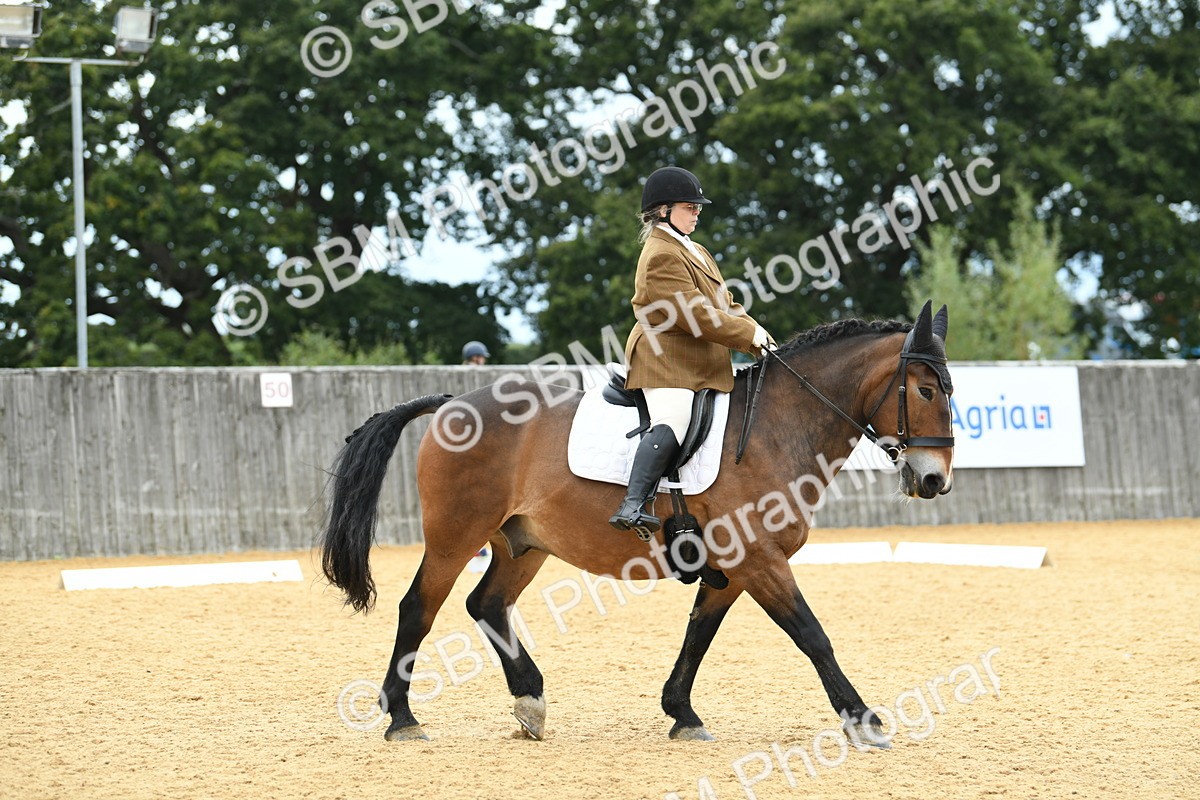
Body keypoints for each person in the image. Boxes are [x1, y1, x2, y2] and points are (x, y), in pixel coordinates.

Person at [609, 166, 774, 535]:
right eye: (690, 207)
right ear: (663, 210)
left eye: (698, 207)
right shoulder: (660, 254)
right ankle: (633, 504)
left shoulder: (695, 249)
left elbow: (725, 305)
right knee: (675, 418)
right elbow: (695, 315)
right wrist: (747, 335)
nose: (697, 212)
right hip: (666, 359)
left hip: (699, 361)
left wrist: (761, 338)